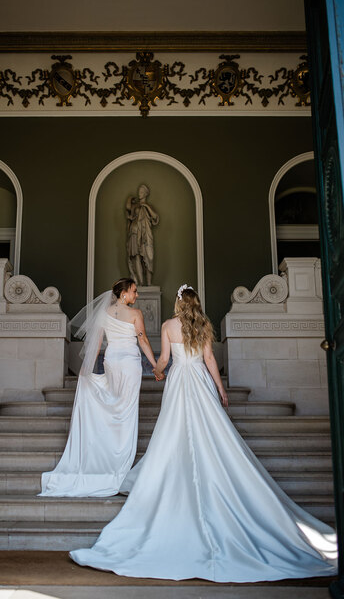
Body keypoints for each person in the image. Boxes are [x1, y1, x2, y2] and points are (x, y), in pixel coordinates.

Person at [70, 284, 338, 582]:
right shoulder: (203, 325)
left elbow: (165, 359)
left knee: (174, 426)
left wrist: (158, 371)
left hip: (178, 380)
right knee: (209, 426)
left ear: (178, 303)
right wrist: (221, 389)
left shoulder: (168, 326)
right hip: (199, 379)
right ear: (196, 303)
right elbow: (210, 360)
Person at [39, 278, 157, 497]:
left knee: (114, 403)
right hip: (129, 364)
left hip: (111, 361)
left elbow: (95, 344)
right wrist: (156, 366)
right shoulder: (135, 314)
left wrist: (85, 370)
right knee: (127, 408)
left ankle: (109, 449)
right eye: (134, 291)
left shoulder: (103, 314)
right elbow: (143, 341)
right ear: (124, 293)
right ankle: (119, 455)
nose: (137, 295)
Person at [126, 184, 159, 286]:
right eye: (139, 191)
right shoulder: (135, 206)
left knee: (149, 257)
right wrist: (129, 199)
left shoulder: (148, 207)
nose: (139, 193)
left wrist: (146, 206)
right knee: (136, 257)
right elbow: (129, 210)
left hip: (146, 235)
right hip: (135, 233)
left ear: (145, 194)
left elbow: (155, 217)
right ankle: (140, 284)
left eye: (141, 192)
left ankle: (149, 283)